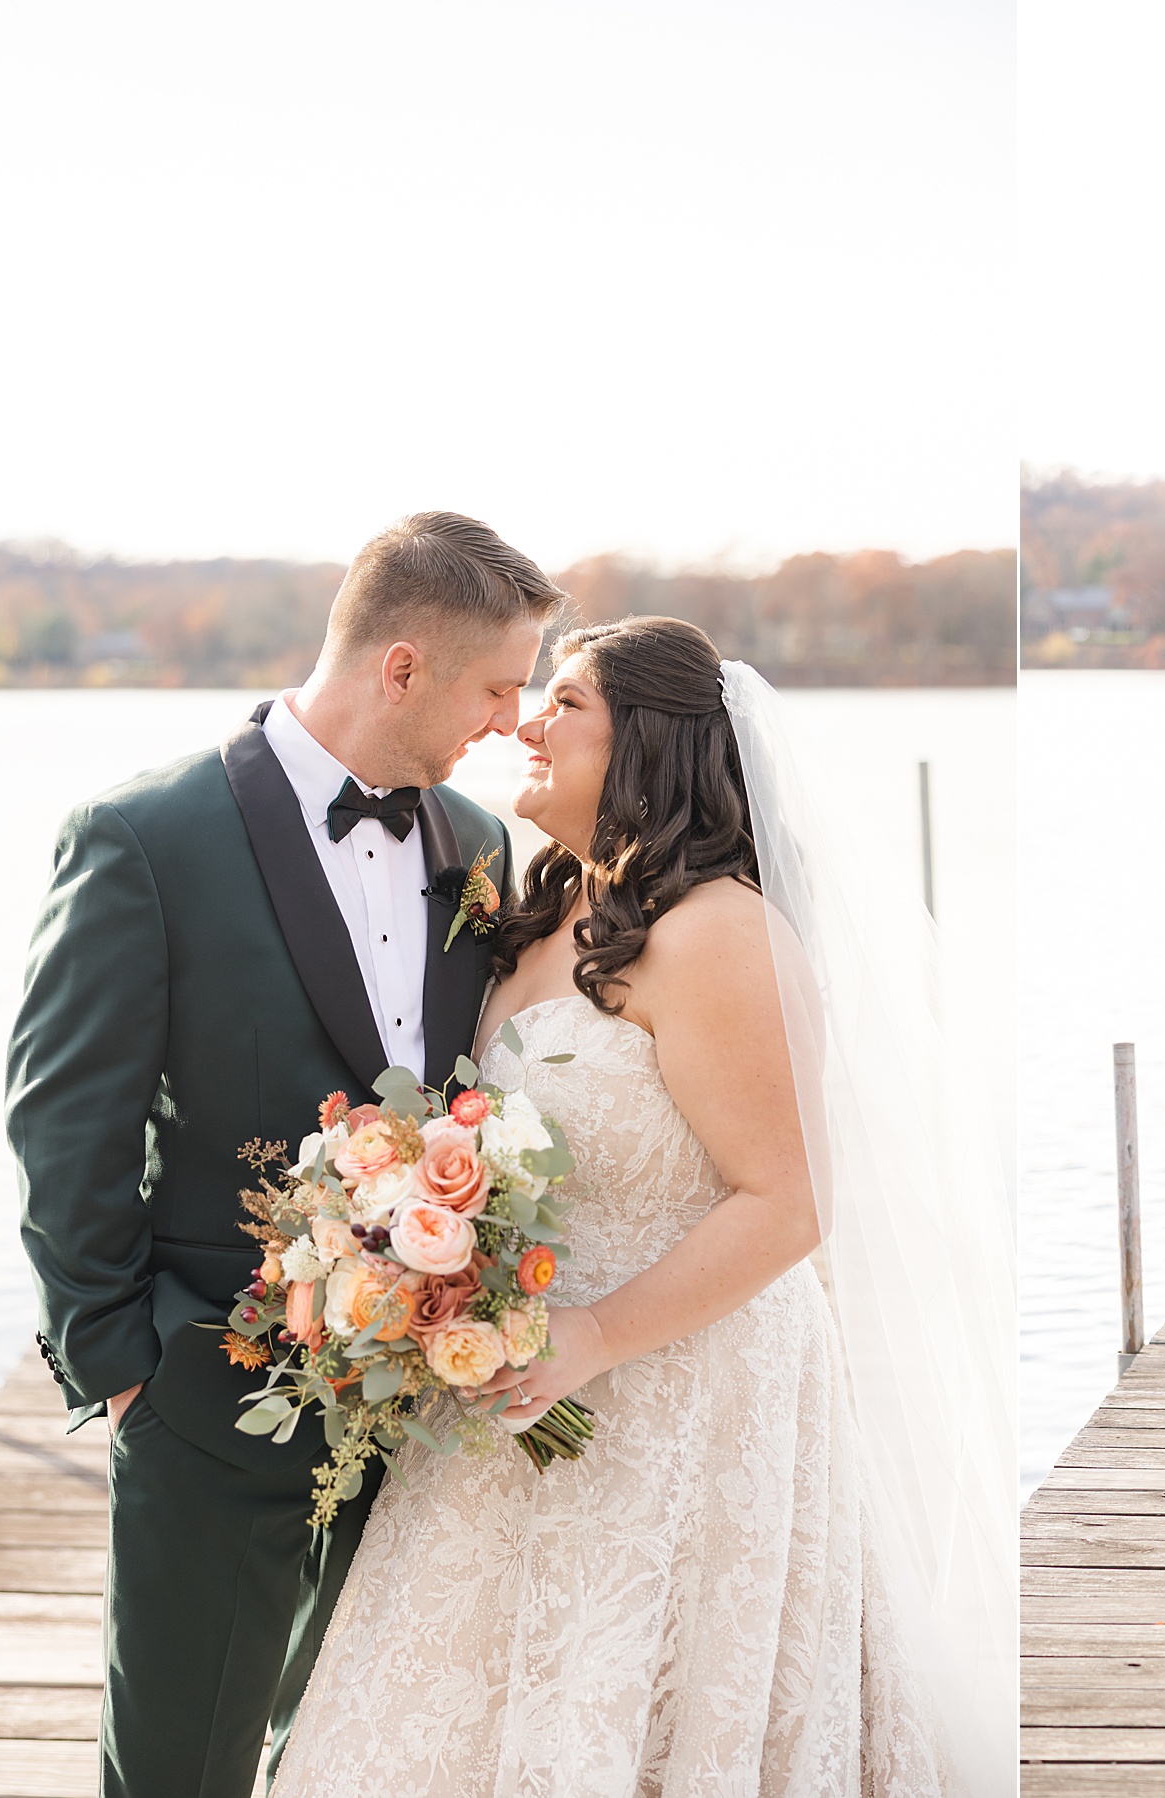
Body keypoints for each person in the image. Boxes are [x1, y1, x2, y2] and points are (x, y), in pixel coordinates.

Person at [273, 617, 1014, 1794]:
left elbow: (792, 1200)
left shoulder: (716, 932)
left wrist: (596, 1334)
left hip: (685, 1391)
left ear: (650, 745)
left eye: (562, 702)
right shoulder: (539, 907)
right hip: (517, 1379)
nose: (523, 720)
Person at [7, 513, 561, 1794]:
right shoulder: (142, 836)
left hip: (418, 1412)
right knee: (176, 1771)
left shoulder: (474, 844)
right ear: (403, 666)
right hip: (209, 1391)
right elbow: (62, 1119)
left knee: (354, 1756)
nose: (508, 716)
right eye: (496, 683)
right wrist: (126, 1364)